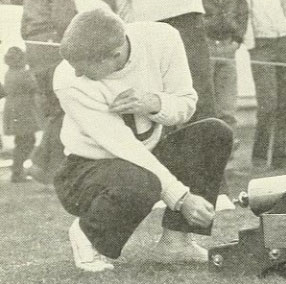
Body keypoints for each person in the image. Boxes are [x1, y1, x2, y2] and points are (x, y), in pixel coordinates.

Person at [53, 9, 232, 272]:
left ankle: (176, 243)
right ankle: (87, 233)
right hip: (86, 170)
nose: (77, 73)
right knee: (141, 180)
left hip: (143, 158)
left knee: (214, 133)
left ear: (115, 54)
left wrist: (154, 102)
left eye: (84, 66)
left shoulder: (163, 38)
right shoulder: (68, 79)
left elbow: (186, 103)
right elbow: (124, 147)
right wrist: (182, 198)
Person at [20, 0, 77, 186]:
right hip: (53, 47)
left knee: (55, 110)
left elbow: (23, 28)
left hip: (34, 49)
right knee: (66, 107)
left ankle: (42, 164)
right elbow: (65, 21)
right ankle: (51, 168)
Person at [248, 0, 286, 169]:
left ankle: (280, 156)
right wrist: (249, 43)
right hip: (261, 45)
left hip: (285, 41)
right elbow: (244, 12)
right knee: (267, 105)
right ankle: (259, 157)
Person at [203, 0, 248, 132]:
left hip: (228, 47)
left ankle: (227, 149)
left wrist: (237, 41)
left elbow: (243, 14)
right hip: (206, 46)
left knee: (227, 107)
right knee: (204, 105)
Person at [2, 47, 40, 183]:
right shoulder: (23, 73)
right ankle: (17, 172)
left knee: (21, 141)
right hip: (23, 109)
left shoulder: (9, 73)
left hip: (13, 108)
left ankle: (17, 171)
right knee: (28, 141)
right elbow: (35, 86)